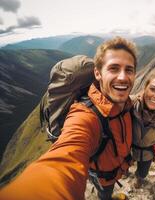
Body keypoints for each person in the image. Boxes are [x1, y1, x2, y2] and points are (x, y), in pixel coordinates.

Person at [0, 37, 137, 200]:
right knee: (105, 193)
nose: (122, 77)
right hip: (104, 176)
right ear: (97, 73)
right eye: (114, 68)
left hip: (118, 167)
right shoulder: (85, 116)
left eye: (129, 70)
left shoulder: (127, 103)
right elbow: (63, 159)